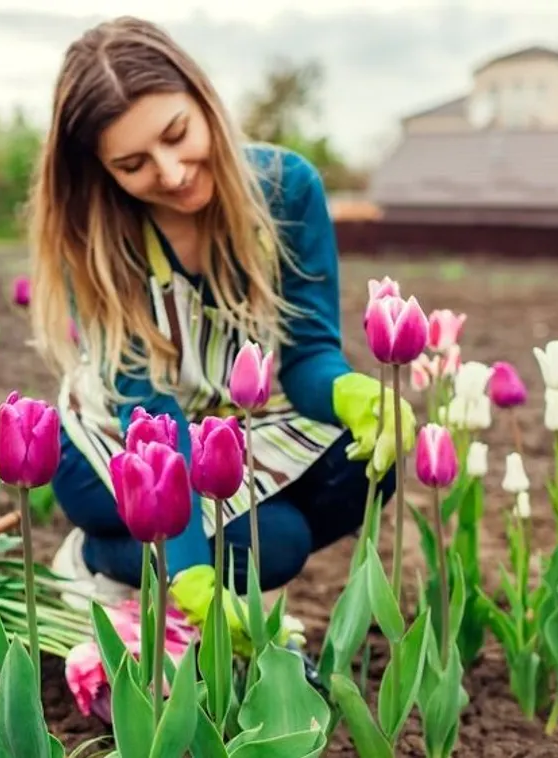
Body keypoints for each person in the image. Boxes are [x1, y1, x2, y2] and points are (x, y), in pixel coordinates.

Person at [24, 17, 414, 633]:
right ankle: (98, 555)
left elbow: (307, 353)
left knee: (364, 462)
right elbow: (149, 415)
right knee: (273, 543)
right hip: (117, 443)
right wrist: (190, 577)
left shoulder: (285, 192)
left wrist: (354, 393)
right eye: (133, 164)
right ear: (103, 172)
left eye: (177, 134)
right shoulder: (99, 238)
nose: (173, 173)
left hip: (223, 425)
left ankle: (188, 550)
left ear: (203, 99)